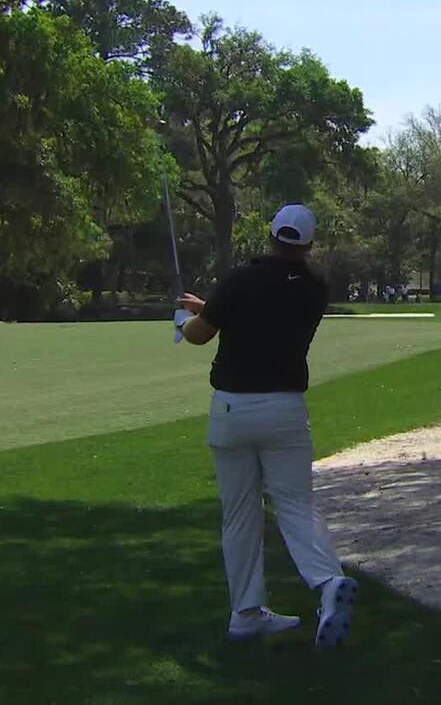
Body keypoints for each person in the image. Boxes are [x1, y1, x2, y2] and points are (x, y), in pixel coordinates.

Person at [175, 204, 359, 646]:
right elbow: (257, 314)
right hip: (284, 410)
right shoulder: (315, 288)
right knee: (295, 505)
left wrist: (185, 320)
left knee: (239, 513)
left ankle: (245, 612)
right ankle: (327, 582)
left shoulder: (241, 279)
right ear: (309, 245)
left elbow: (202, 334)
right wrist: (211, 308)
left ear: (271, 234)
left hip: (232, 410)